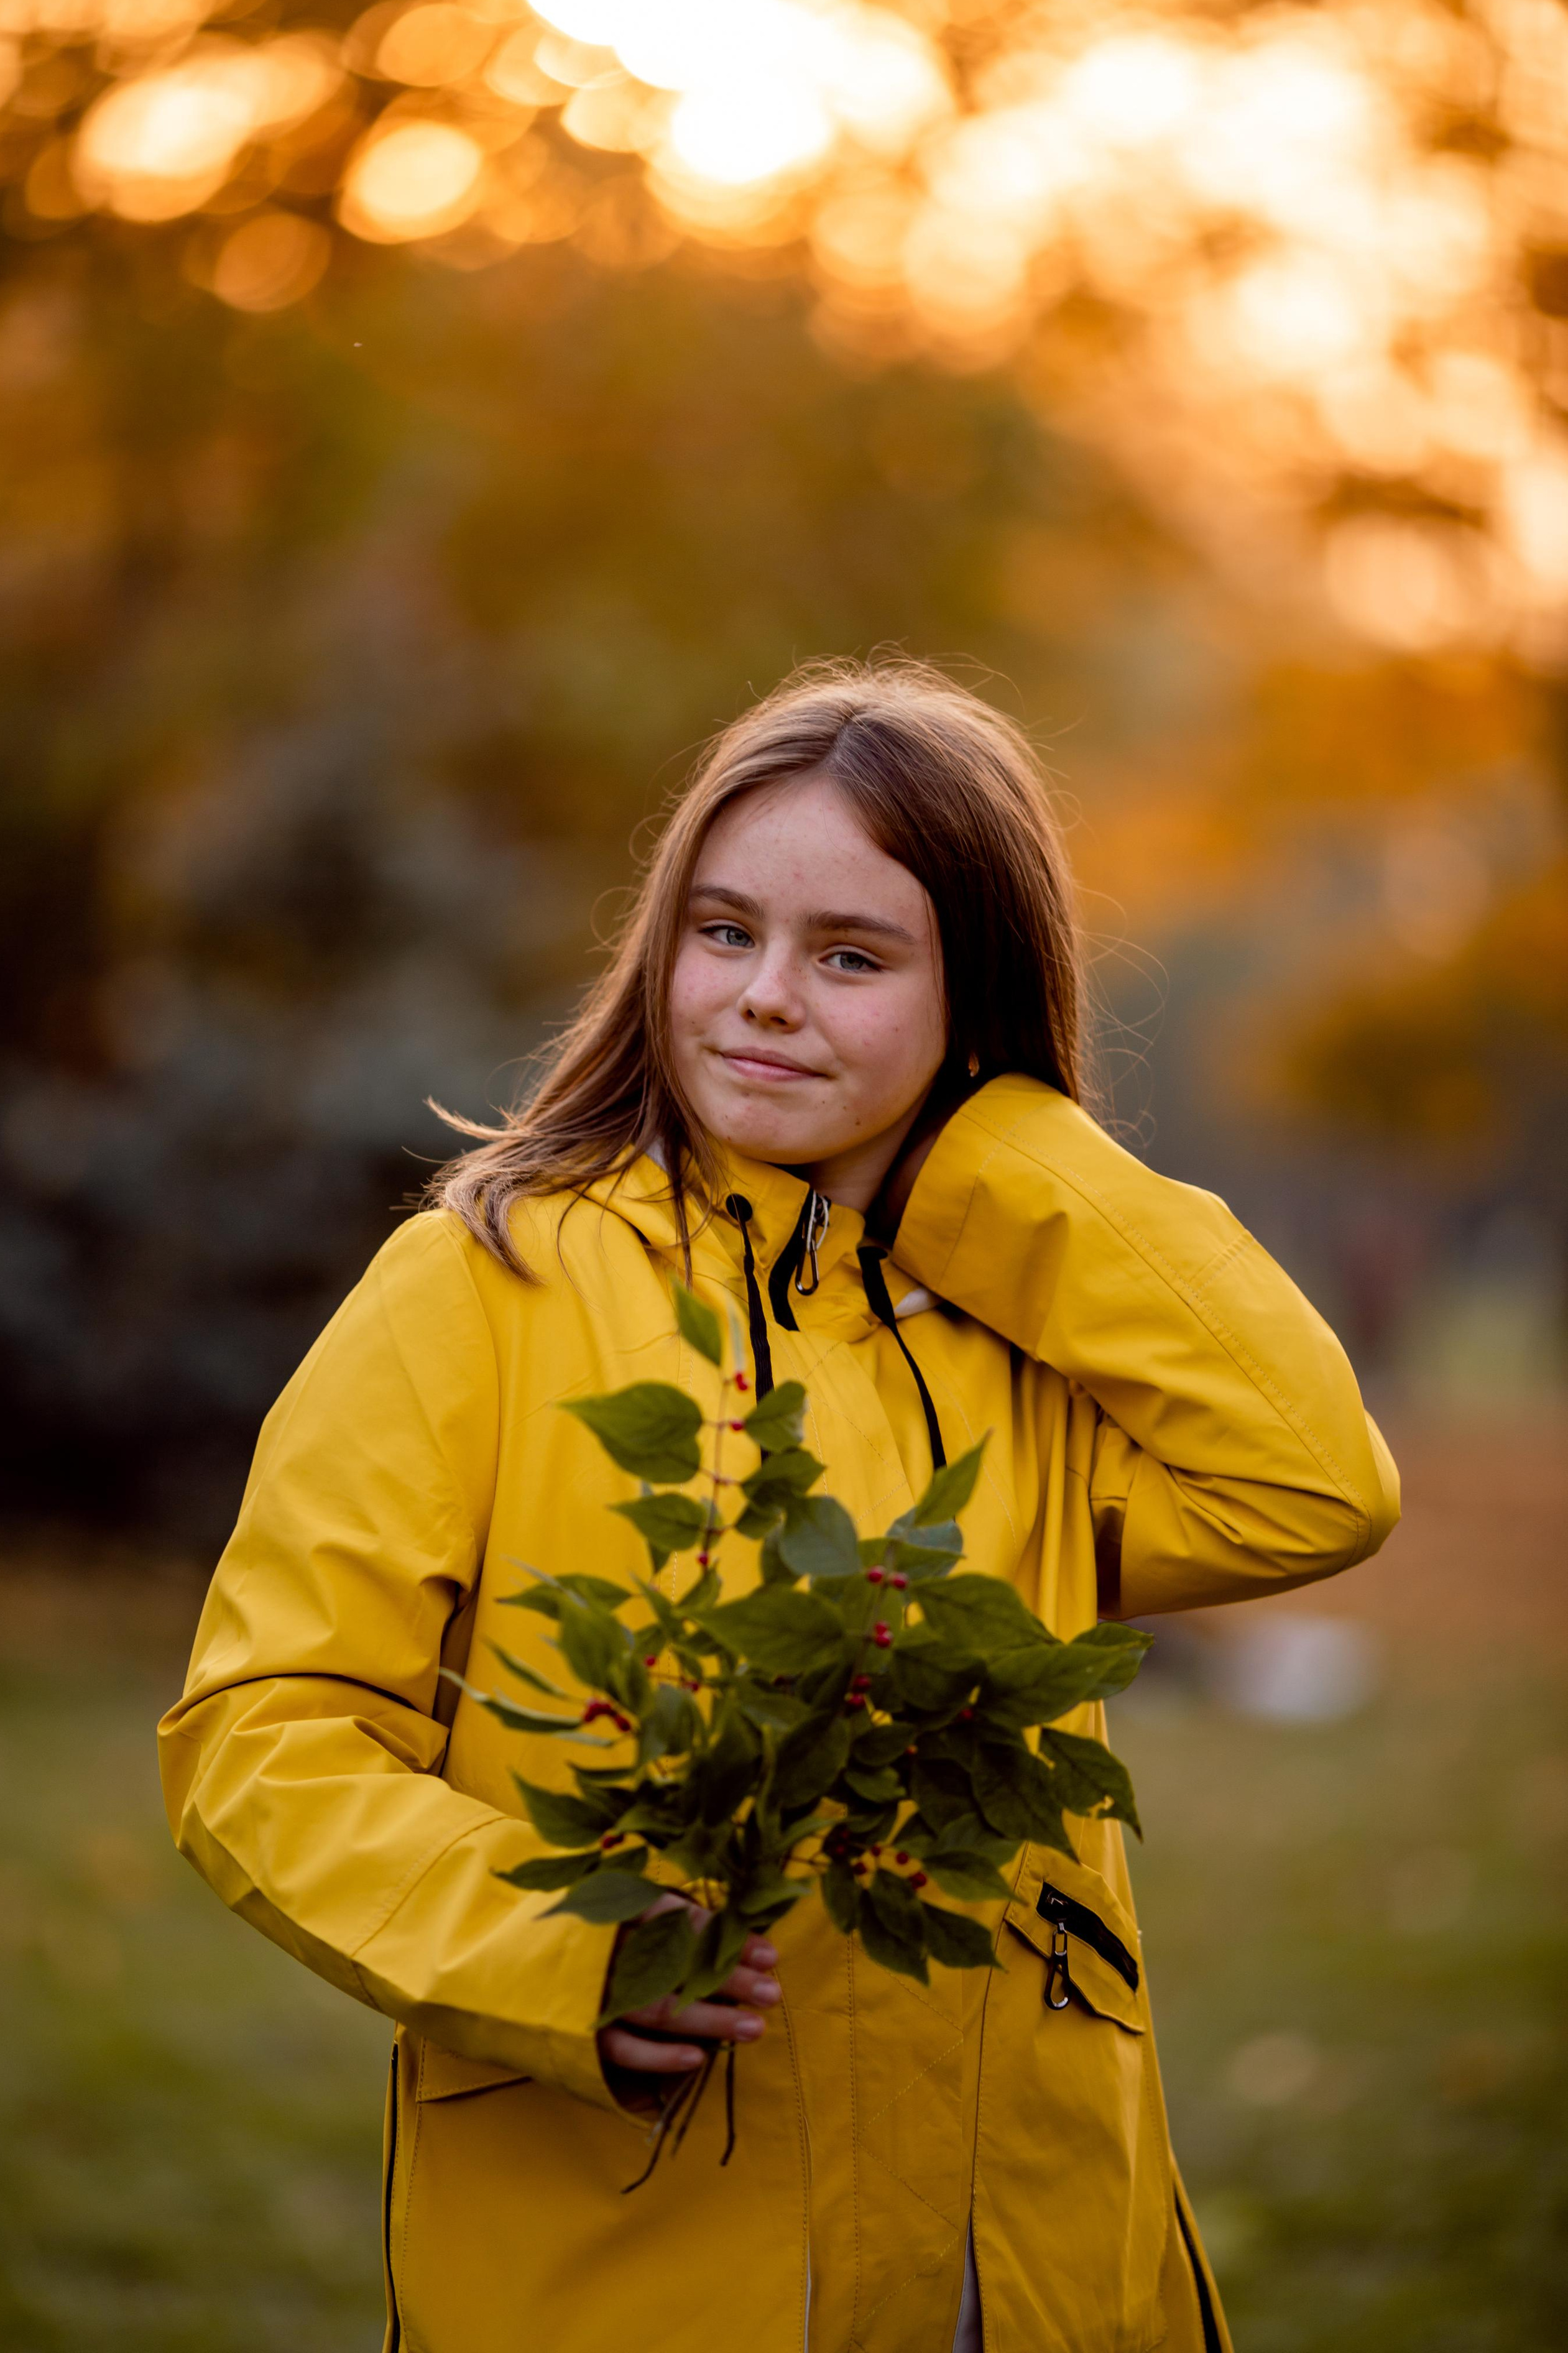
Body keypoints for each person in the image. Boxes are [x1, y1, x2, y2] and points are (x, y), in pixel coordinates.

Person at [159, 658, 1400, 2353]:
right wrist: (562, 1948)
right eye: (724, 931)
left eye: (853, 957)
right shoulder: (487, 1281)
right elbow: (260, 1733)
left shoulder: (1024, 1333)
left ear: (976, 997)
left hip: (1015, 2262)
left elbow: (1310, 1482)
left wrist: (992, 1162)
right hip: (637, 2254)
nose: (762, 999)